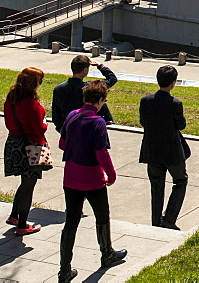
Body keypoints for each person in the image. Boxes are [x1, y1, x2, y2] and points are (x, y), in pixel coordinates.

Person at [57, 80, 127, 282]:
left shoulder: (72, 116)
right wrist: (111, 174)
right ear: (99, 100)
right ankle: (107, 254)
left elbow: (63, 144)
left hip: (70, 177)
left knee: (71, 222)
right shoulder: (98, 122)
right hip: (93, 179)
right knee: (102, 217)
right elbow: (101, 153)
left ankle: (64, 269)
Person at [138, 65, 189, 230]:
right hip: (172, 151)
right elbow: (181, 125)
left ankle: (155, 221)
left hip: (152, 150)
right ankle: (169, 219)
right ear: (173, 83)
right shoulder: (175, 103)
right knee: (180, 181)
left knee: (156, 186)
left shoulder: (145, 101)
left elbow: (143, 122)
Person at [3, 67, 48, 236]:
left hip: (13, 143)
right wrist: (45, 122)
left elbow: (8, 122)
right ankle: (22, 224)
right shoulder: (32, 104)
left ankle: (15, 215)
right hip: (31, 146)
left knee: (24, 182)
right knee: (29, 184)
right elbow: (39, 129)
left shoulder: (11, 100)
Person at [52, 54, 118, 131]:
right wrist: (100, 66)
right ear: (85, 70)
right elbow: (112, 78)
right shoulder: (90, 88)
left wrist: (61, 128)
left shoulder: (58, 89)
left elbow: (55, 114)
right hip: (86, 128)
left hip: (66, 128)